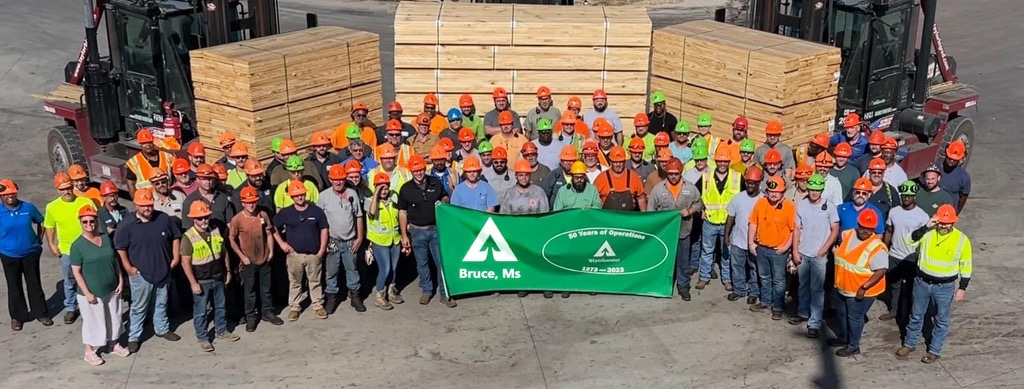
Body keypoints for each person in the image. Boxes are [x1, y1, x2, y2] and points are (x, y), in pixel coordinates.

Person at [897, 204, 972, 363]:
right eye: (941, 222)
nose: (944, 226)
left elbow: (966, 264)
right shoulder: (928, 233)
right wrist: (925, 227)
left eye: (947, 223)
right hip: (922, 283)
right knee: (916, 315)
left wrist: (962, 288)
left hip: (944, 287)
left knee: (941, 319)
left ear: (953, 222)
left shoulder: (962, 239)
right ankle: (909, 344)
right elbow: (909, 241)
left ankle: (934, 350)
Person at [115, 189, 183, 353]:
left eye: (150, 205)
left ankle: (162, 328)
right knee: (139, 307)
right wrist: (129, 268)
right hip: (140, 276)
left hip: (163, 270)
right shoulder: (127, 225)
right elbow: (120, 248)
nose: (148, 209)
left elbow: (175, 236)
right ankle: (134, 337)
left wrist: (175, 258)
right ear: (136, 205)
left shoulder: (163, 218)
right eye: (143, 206)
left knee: (161, 303)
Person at [69, 205, 129, 365]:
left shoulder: (106, 239)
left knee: (114, 317)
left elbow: (115, 260)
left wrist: (121, 279)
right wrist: (87, 293)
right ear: (80, 222)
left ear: (97, 220)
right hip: (91, 292)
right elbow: (76, 272)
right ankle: (89, 351)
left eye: (92, 220)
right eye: (85, 221)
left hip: (111, 288)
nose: (89, 224)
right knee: (93, 322)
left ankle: (113, 343)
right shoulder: (77, 246)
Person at [397, 155, 457, 307]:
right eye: (415, 170)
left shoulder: (435, 182)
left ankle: (445, 294)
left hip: (436, 229)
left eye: (421, 169)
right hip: (417, 231)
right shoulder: (406, 189)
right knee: (422, 263)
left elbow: (445, 196)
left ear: (425, 168)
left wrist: (443, 201)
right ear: (411, 171)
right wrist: (404, 235)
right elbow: (402, 212)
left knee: (441, 263)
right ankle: (427, 291)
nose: (419, 173)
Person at [180, 202, 239, 352]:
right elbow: (185, 262)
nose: (204, 221)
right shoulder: (188, 237)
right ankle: (203, 337)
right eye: (200, 218)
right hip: (202, 280)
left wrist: (227, 271)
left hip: (218, 276)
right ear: (194, 219)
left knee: (220, 306)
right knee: (201, 311)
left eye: (206, 217)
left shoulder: (215, 230)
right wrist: (193, 283)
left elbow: (223, 251)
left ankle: (221, 331)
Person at [829, 208, 888, 357]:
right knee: (842, 313)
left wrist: (864, 288)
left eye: (869, 229)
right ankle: (844, 338)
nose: (865, 231)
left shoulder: (877, 247)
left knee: (854, 317)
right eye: (863, 227)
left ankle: (853, 345)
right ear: (858, 224)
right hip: (843, 286)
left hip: (861, 291)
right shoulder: (849, 234)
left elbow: (881, 271)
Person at [790, 174, 840, 338]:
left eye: (817, 190)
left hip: (819, 255)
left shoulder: (830, 207)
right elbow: (797, 229)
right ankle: (802, 312)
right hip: (803, 253)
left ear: (821, 190)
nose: (814, 193)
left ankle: (814, 322)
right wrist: (795, 251)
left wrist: (824, 248)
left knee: (817, 289)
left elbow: (835, 229)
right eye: (812, 189)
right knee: (802, 285)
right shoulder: (802, 205)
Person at [45, 172, 97, 325]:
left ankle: (92, 303)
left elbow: (95, 222)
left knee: (91, 278)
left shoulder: (85, 202)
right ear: (57, 190)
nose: (66, 191)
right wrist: (52, 244)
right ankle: (71, 307)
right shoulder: (52, 207)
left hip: (87, 248)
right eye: (62, 189)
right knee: (69, 280)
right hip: (67, 250)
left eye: (68, 188)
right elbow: (49, 227)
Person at [273, 180, 330, 321]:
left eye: (302, 194)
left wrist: (322, 249)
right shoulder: (286, 213)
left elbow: (324, 229)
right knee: (295, 282)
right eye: (296, 195)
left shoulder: (316, 211)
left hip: (313, 254)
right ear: (291, 197)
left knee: (315, 281)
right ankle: (294, 307)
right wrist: (282, 244)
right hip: (295, 256)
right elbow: (272, 227)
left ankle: (318, 305)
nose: (300, 197)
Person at [647, 158, 702, 301]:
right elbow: (650, 210)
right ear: (666, 173)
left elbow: (699, 203)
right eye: (670, 173)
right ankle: (662, 285)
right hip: (664, 234)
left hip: (683, 232)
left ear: (681, 173)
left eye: (676, 174)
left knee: (683, 261)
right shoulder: (658, 189)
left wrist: (690, 211)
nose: (673, 176)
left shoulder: (690, 188)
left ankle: (683, 287)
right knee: (663, 260)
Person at [229, 187, 283, 332]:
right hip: (248, 261)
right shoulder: (237, 219)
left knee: (266, 289)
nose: (251, 205)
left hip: (264, 258)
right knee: (250, 291)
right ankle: (251, 317)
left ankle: (267, 312)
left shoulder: (263, 214)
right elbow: (232, 240)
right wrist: (242, 257)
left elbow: (269, 233)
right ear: (242, 203)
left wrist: (271, 251)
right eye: (248, 202)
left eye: (253, 201)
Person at [0, 179, 52, 330]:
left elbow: (40, 222)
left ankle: (41, 313)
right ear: (1, 196)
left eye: (12, 193)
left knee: (34, 283)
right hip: (8, 255)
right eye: (6, 194)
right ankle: (18, 317)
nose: (10, 196)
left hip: (30, 253)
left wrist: (38, 240)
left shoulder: (28, 208)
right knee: (14, 286)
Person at [318, 164, 367, 314]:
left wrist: (359, 238)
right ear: (330, 179)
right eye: (335, 180)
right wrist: (323, 242)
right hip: (332, 240)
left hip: (350, 240)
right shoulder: (324, 196)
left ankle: (355, 296)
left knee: (352, 269)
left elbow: (359, 216)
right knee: (331, 271)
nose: (338, 183)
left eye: (341, 179)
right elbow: (320, 222)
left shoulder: (352, 193)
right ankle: (332, 298)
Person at [748, 176, 797, 320]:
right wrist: (751, 243)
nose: (774, 194)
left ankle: (778, 307)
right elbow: (753, 223)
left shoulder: (789, 207)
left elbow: (794, 230)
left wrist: (785, 247)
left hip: (778, 250)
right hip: (761, 247)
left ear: (783, 192)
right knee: (764, 277)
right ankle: (765, 301)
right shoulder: (761, 203)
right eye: (771, 191)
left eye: (777, 191)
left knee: (778, 280)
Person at [880, 180, 930, 322]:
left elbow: (925, 239)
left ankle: (906, 314)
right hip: (894, 254)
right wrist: (884, 248)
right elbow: (889, 231)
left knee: (909, 289)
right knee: (894, 286)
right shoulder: (894, 211)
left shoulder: (922, 216)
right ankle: (894, 311)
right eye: (904, 195)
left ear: (915, 197)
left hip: (911, 257)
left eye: (909, 195)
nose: (906, 198)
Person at [501, 159, 551, 299]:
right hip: (518, 236)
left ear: (530, 175)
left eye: (526, 175)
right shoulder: (510, 194)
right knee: (523, 262)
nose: (524, 178)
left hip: (536, 234)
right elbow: (505, 216)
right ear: (516, 176)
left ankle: (544, 286)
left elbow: (545, 213)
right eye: (521, 175)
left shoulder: (538, 192)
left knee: (540, 260)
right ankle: (524, 285)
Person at [696, 147, 742, 291]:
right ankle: (704, 277)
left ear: (729, 162)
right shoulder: (705, 177)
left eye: (725, 161)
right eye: (720, 161)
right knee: (707, 251)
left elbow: (746, 197)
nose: (722, 164)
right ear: (716, 161)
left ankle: (727, 279)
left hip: (729, 224)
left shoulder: (738, 177)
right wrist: (700, 210)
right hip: (710, 222)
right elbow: (696, 196)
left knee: (726, 252)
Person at [725, 167, 764, 304]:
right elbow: (730, 217)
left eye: (754, 182)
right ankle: (739, 290)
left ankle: (753, 292)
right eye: (748, 182)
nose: (750, 185)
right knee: (737, 266)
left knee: (754, 268)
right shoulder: (738, 198)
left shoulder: (763, 200)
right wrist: (726, 235)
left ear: (760, 182)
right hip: (738, 239)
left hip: (756, 242)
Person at [366, 172, 404, 310]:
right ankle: (380, 296)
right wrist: (375, 195)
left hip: (394, 238)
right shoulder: (370, 201)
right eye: (380, 188)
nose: (384, 191)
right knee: (385, 268)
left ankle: (390, 290)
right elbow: (371, 213)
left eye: (386, 188)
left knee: (394, 267)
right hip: (379, 240)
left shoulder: (394, 199)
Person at [181, 164, 235, 232]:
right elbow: (189, 230)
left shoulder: (222, 198)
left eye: (210, 179)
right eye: (204, 179)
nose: (208, 182)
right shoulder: (189, 201)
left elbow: (230, 223)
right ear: (197, 179)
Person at [124, 128, 175, 197]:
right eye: (144, 143)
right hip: (148, 199)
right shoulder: (134, 162)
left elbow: (175, 177)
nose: (147, 145)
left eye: (149, 142)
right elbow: (131, 183)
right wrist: (137, 201)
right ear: (140, 144)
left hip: (167, 196)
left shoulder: (167, 156)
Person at [594, 146, 647, 211]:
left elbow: (641, 198)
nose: (618, 164)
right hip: (608, 218)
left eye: (620, 161)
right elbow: (593, 199)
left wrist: (643, 215)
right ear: (610, 161)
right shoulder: (601, 178)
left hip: (628, 217)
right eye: (615, 162)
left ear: (624, 161)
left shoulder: (633, 176)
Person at [938, 140, 971, 212]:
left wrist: (956, 213)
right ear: (946, 153)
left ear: (960, 159)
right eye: (950, 158)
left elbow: (963, 197)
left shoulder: (964, 177)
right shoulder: (935, 168)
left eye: (955, 159)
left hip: (949, 212)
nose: (951, 161)